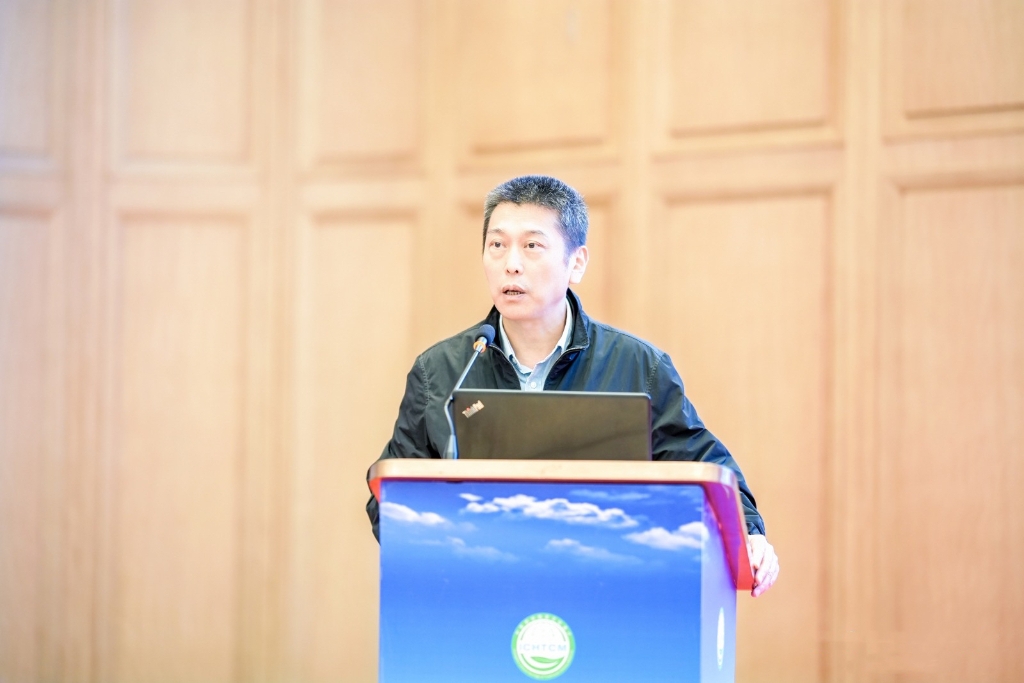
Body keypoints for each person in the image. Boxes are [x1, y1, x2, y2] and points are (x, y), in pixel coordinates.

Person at [365, 175, 779, 597]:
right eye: (497, 245)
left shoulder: (637, 367)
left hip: (604, 596)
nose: (511, 263)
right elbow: (388, 498)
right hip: (479, 596)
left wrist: (749, 533)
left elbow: (702, 462)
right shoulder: (442, 371)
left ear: (576, 263)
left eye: (532, 245)